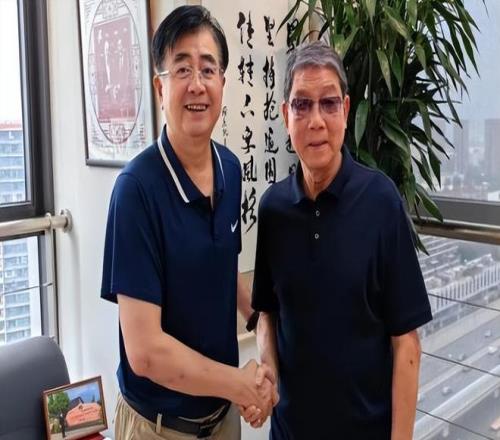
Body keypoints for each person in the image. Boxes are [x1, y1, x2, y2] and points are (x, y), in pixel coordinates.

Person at [101, 6, 275, 439]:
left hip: (222, 419)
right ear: (160, 87)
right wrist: (240, 384)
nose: (197, 84)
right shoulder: (135, 191)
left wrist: (262, 326)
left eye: (208, 69)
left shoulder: (230, 168)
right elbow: (146, 353)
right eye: (182, 69)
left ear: (223, 83)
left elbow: (224, 266)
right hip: (157, 428)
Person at [252, 41, 433, 440]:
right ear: (285, 116)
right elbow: (267, 314)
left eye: (329, 103)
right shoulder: (273, 208)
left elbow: (407, 344)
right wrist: (268, 371)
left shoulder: (381, 200)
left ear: (346, 111)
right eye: (302, 105)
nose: (316, 120)